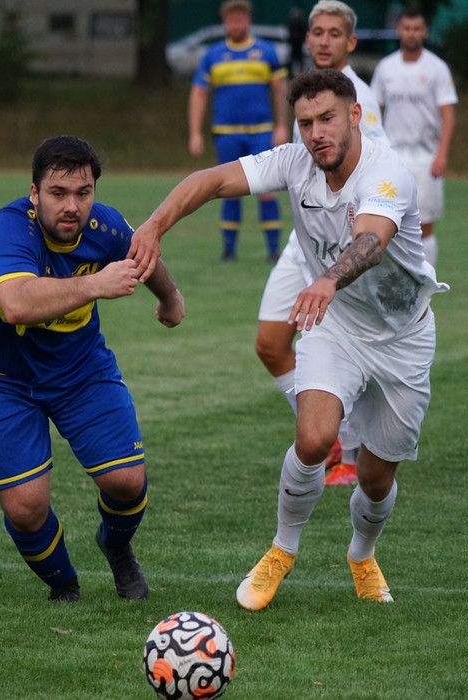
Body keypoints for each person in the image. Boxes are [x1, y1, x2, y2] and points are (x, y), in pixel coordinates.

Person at [129, 70, 448, 608]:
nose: (316, 133)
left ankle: (362, 554)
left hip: (403, 339)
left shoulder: (387, 173)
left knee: (375, 480)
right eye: (305, 123)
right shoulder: (294, 161)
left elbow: (371, 241)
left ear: (355, 116)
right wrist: (154, 225)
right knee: (313, 439)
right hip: (336, 326)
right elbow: (210, 180)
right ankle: (281, 550)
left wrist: (327, 279)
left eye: (327, 119)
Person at [0, 135, 185, 603]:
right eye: (58, 193)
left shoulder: (105, 226)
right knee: (26, 509)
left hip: (79, 369)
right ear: (34, 193)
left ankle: (116, 546)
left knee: (126, 481)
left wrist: (170, 297)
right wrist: (96, 284)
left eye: (83, 193)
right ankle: (65, 585)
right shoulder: (7, 232)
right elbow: (17, 304)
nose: (71, 206)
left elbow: (140, 251)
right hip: (0, 379)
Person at [259, 0, 390, 487]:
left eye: (334, 33)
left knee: (344, 352)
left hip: (342, 246)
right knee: (270, 344)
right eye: (316, 32)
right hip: (304, 240)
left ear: (350, 42)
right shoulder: (308, 92)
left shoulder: (359, 99)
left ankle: (350, 455)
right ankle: (329, 435)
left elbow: (373, 172)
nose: (323, 40)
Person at [188, 0, 292, 263]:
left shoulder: (266, 51)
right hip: (227, 133)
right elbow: (199, 93)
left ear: (248, 21)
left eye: (240, 19)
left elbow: (280, 90)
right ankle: (228, 251)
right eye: (231, 20)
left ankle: (273, 250)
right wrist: (195, 132)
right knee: (229, 189)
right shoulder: (213, 55)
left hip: (261, 132)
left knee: (267, 189)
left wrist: (281, 126)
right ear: (225, 23)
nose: (235, 24)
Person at [370, 7, 457, 269]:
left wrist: (441, 155)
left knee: (423, 225)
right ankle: (394, 280)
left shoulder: (437, 68)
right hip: (392, 158)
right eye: (407, 28)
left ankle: (425, 282)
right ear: (399, 30)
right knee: (386, 222)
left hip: (425, 159)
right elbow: (372, 113)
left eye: (417, 29)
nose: (411, 33)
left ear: (424, 32)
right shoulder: (386, 67)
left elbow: (448, 116)